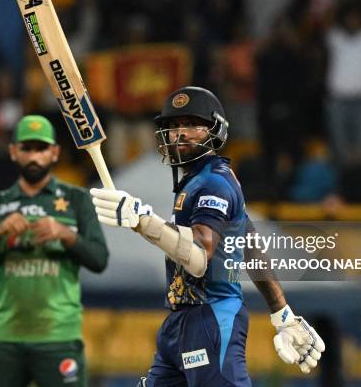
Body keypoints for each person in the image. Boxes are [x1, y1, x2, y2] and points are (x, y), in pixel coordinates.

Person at [91, 87, 325, 386]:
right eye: (173, 127)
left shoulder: (213, 183)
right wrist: (282, 314)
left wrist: (142, 221)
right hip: (180, 320)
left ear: (214, 130)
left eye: (191, 124)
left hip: (211, 318)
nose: (180, 134)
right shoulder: (199, 182)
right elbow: (250, 248)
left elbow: (199, 258)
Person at [0, 115, 109, 387]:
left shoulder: (77, 200)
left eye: (40, 148)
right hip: (3, 336)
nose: (34, 156)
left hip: (58, 336)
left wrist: (64, 234)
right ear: (13, 152)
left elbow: (99, 260)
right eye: (26, 148)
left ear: (54, 152)